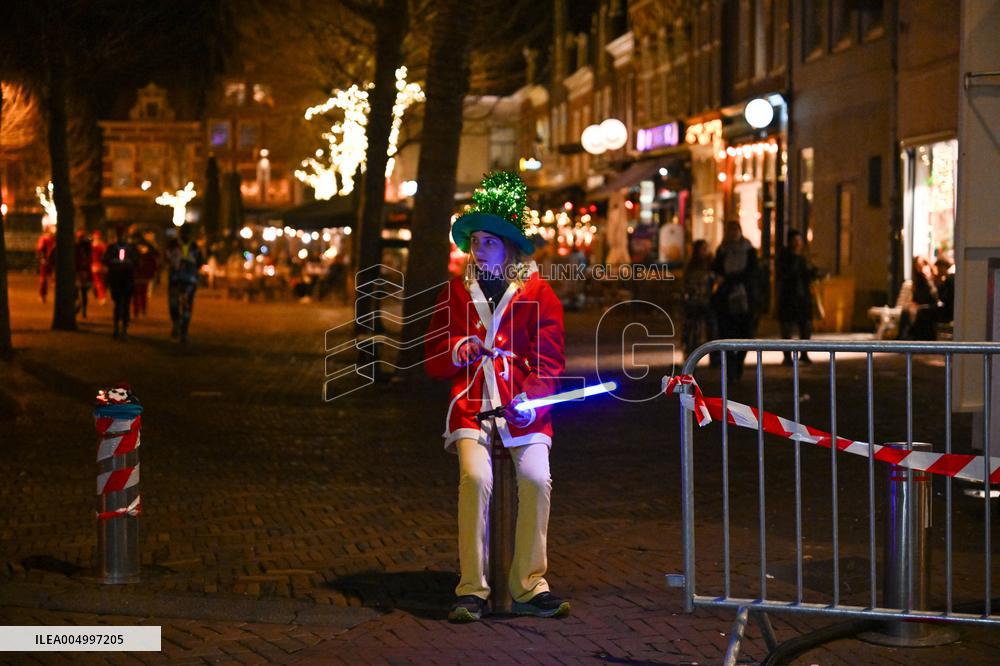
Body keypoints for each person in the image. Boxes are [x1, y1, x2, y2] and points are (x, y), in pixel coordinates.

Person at [424, 171, 569, 623]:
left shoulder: (540, 294)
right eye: (476, 242)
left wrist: (529, 397)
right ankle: (472, 588)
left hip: (524, 411)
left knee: (535, 479)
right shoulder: (454, 294)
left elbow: (550, 362)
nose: (479, 250)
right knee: (475, 478)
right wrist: (458, 350)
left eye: (489, 242)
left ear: (509, 249)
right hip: (470, 406)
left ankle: (528, 584)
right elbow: (433, 357)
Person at [711, 220, 759, 381]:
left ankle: (739, 361)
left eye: (735, 230)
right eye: (729, 231)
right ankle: (731, 365)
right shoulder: (722, 250)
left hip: (745, 296)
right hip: (726, 297)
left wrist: (734, 278)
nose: (732, 234)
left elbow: (753, 272)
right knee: (727, 332)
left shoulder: (749, 250)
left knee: (745, 332)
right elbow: (716, 269)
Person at [777, 230, 821, 365]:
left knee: (806, 325)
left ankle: (804, 353)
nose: (797, 243)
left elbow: (809, 275)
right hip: (788, 296)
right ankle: (787, 356)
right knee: (787, 327)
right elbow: (784, 274)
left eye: (799, 240)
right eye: (795, 240)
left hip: (803, 296)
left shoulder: (803, 258)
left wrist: (814, 272)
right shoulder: (785, 257)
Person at [165, 225, 204, 343]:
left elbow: (200, 261)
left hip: (188, 281)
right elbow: (166, 257)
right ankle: (177, 324)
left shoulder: (194, 246)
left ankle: (184, 331)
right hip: (176, 279)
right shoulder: (173, 245)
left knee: (186, 306)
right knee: (174, 304)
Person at [102, 226, 139, 340]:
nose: (122, 237)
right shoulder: (112, 248)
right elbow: (105, 260)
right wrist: (114, 262)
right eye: (120, 235)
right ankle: (117, 327)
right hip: (116, 279)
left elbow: (137, 260)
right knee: (118, 304)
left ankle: (124, 328)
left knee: (126, 304)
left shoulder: (131, 248)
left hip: (127, 279)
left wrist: (129, 263)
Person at [682, 239, 716, 357]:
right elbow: (686, 282)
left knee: (710, 326)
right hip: (693, 300)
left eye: (706, 248)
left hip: (707, 300)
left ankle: (712, 354)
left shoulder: (711, 264)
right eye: (703, 249)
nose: (705, 251)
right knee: (691, 326)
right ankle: (689, 347)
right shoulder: (692, 265)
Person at [901, 255, 939, 340]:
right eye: (918, 266)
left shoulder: (935, 278)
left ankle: (912, 335)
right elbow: (917, 298)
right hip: (923, 305)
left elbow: (934, 297)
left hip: (933, 305)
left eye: (924, 264)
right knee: (906, 311)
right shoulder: (919, 281)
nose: (922, 268)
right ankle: (905, 336)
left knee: (920, 312)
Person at [132, 236, 159, 319]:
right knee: (137, 295)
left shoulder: (148, 254)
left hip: (142, 277)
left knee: (141, 294)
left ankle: (141, 310)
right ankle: (137, 311)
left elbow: (153, 264)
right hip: (136, 277)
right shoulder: (134, 252)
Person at [74, 230, 93, 318]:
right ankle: (82, 308)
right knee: (82, 293)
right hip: (82, 272)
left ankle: (81, 307)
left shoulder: (77, 248)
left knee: (78, 292)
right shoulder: (87, 248)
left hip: (80, 272)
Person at [36, 224, 56, 303]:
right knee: (48, 279)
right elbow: (41, 249)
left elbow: (40, 249)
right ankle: (43, 295)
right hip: (49, 261)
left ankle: (42, 295)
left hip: (47, 261)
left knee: (44, 279)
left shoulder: (47, 238)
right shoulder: (48, 238)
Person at [90, 229, 108, 305]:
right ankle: (101, 295)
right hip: (99, 265)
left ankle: (101, 296)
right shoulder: (102, 245)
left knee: (98, 282)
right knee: (100, 282)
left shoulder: (93, 245)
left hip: (96, 265)